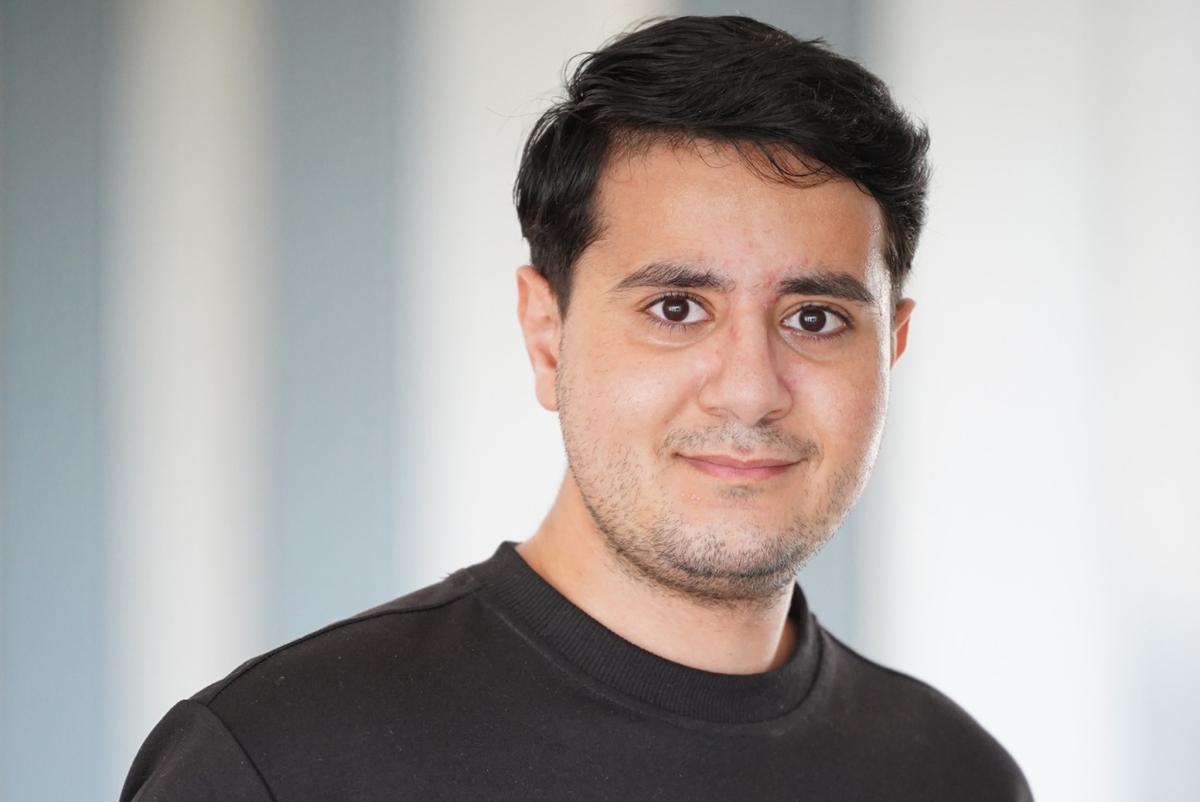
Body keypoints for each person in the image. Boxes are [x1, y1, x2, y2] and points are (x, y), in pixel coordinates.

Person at [121, 15, 1032, 801]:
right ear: (546, 334)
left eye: (815, 317)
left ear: (891, 347)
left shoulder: (956, 778)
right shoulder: (277, 763)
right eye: (676, 308)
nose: (751, 389)